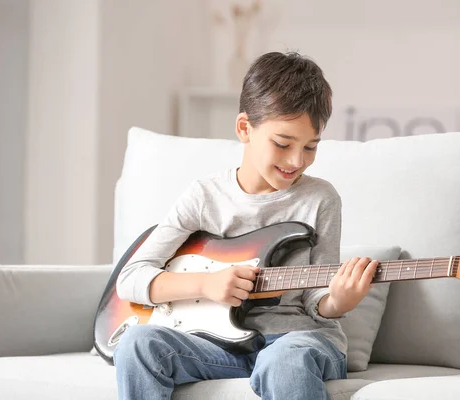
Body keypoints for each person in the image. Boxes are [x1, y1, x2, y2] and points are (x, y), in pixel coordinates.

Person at [114, 51, 378, 400]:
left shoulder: (320, 198)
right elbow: (130, 279)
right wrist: (207, 285)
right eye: (283, 144)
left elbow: (318, 297)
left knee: (284, 360)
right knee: (138, 343)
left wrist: (339, 301)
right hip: (219, 348)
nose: (296, 161)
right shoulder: (204, 197)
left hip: (299, 342)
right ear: (244, 128)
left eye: (311, 147)